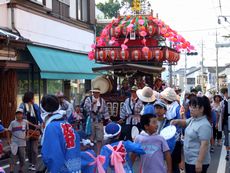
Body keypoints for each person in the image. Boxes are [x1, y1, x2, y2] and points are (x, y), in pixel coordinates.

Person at [171, 96, 212, 173]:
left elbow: (204, 145)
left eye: (194, 107)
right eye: (190, 106)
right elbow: (185, 122)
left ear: (201, 109)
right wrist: (176, 121)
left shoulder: (204, 125)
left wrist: (199, 162)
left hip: (196, 161)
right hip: (189, 160)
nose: (190, 109)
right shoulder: (194, 119)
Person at [41, 95, 81, 173]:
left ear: (44, 111)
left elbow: (51, 156)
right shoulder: (67, 124)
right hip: (75, 169)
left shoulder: (51, 127)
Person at [7, 108, 39, 173]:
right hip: (14, 143)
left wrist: (27, 136)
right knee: (12, 158)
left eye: (20, 114)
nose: (19, 115)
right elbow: (8, 131)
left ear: (22, 115)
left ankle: (20, 169)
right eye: (17, 114)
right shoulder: (13, 123)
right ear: (15, 115)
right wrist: (8, 140)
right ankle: (11, 171)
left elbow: (27, 130)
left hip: (22, 144)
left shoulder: (25, 122)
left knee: (22, 158)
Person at [18, 91, 42, 171]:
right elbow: (21, 118)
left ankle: (33, 164)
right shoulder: (22, 106)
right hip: (25, 130)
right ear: (30, 98)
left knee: (34, 149)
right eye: (33, 98)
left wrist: (41, 124)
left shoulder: (35, 106)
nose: (34, 99)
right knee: (28, 149)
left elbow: (39, 117)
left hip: (35, 129)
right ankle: (31, 162)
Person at [160, 87, 182, 173]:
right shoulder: (166, 106)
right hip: (166, 137)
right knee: (168, 161)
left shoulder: (177, 108)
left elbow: (180, 123)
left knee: (174, 162)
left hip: (175, 138)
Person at [83, 88, 110, 154]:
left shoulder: (102, 100)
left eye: (97, 92)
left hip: (99, 120)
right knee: (91, 137)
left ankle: (98, 153)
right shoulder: (88, 99)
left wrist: (108, 118)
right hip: (91, 120)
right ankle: (91, 153)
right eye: (95, 92)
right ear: (93, 93)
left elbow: (105, 110)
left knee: (99, 138)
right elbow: (85, 108)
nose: (96, 93)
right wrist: (92, 104)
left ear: (99, 93)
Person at [220, 87, 230, 161]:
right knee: (227, 138)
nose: (225, 94)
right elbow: (221, 114)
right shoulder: (223, 102)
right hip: (226, 123)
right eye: (224, 93)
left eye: (225, 93)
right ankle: (228, 153)